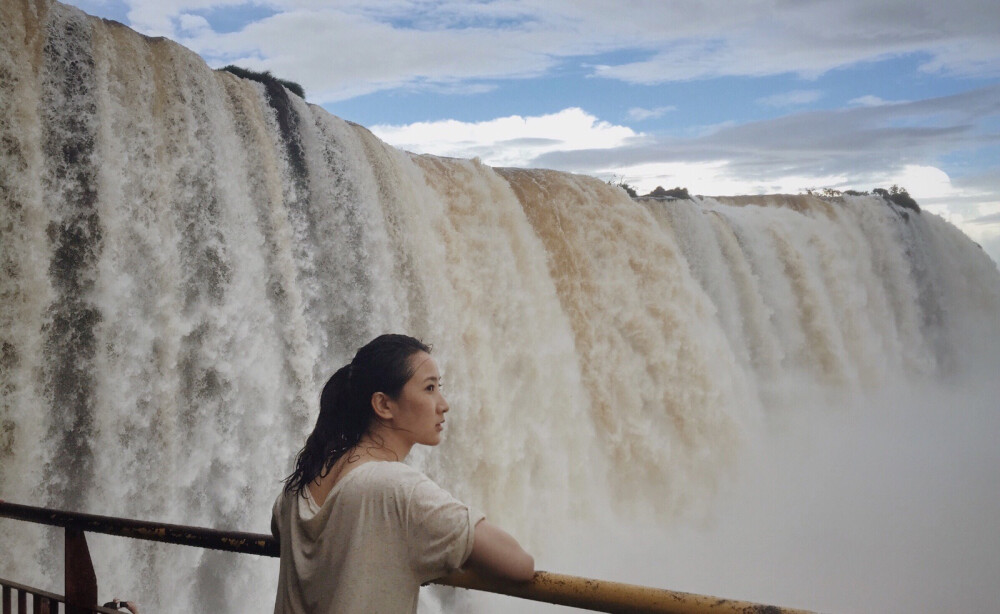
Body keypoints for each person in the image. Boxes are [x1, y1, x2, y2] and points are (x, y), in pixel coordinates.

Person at [272, 334, 534, 614]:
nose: (443, 404)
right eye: (429, 388)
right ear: (383, 405)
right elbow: (519, 565)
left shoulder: (297, 489)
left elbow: (283, 534)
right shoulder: (396, 487)